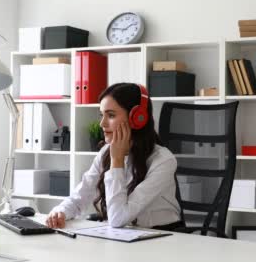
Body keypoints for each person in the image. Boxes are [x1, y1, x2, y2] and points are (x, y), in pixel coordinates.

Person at [46, 82, 183, 230]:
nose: (102, 123)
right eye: (101, 115)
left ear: (137, 118)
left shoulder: (163, 160)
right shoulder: (105, 152)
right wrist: (60, 212)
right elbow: (79, 196)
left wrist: (117, 161)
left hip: (163, 238)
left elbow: (118, 218)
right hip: (124, 237)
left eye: (110, 115)